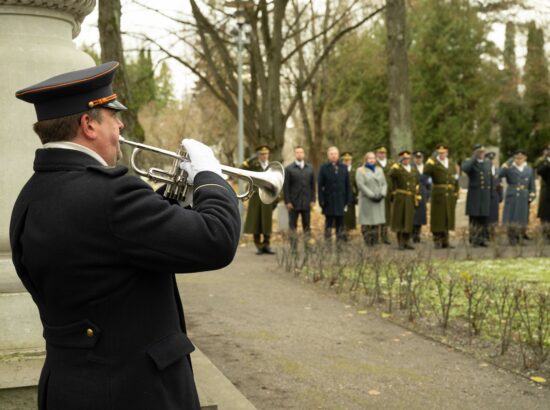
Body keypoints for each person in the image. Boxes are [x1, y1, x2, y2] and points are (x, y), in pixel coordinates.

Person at [10, 62, 240, 409]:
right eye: (112, 116)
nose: (121, 125)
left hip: (68, 388)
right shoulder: (112, 194)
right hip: (135, 392)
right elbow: (218, 238)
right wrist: (210, 177)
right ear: (88, 125)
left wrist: (173, 198)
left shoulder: (30, 197)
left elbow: (109, 245)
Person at [423, 143, 460, 249]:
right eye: (439, 153)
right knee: (437, 218)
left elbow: (455, 178)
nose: (442, 154)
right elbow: (426, 171)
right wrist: (431, 159)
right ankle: (437, 241)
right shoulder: (434, 163)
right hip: (438, 193)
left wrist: (456, 192)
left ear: (447, 153)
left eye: (443, 153)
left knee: (447, 218)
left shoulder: (451, 163)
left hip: (449, 194)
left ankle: (445, 241)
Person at [243, 145, 276, 255]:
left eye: (266, 154)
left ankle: (267, 244)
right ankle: (258, 245)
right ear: (258, 155)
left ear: (268, 155)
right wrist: (248, 160)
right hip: (256, 195)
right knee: (255, 221)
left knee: (267, 222)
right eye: (262, 154)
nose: (264, 156)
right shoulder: (254, 164)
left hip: (268, 194)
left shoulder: (272, 166)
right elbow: (241, 169)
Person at [499, 150, 536, 245]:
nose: (519, 160)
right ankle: (512, 238)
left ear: (525, 158)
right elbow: (499, 174)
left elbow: (532, 184)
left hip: (523, 196)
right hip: (513, 194)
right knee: (512, 216)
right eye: (516, 158)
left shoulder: (528, 169)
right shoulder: (510, 168)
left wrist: (532, 195)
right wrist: (507, 163)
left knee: (522, 217)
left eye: (521, 158)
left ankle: (520, 237)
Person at [318, 146, 352, 242]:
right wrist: (321, 201)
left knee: (340, 224)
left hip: (341, 200)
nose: (333, 156)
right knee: (328, 224)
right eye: (331, 154)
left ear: (338, 155)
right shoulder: (324, 168)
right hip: (329, 201)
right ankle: (327, 244)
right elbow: (320, 186)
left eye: (335, 154)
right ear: (328, 155)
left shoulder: (344, 168)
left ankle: (340, 243)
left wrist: (348, 200)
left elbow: (347, 185)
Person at [284, 146, 316, 248]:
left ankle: (308, 247)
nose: (299, 154)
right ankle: (293, 248)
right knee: (292, 227)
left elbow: (313, 186)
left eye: (301, 152)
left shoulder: (310, 168)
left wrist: (313, 200)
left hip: (306, 202)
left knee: (307, 227)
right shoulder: (289, 169)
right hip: (293, 203)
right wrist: (288, 202)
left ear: (304, 154)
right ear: (295, 154)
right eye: (297, 152)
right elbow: (286, 187)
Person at [461, 144, 492, 247]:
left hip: (484, 194)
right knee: (474, 217)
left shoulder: (487, 163)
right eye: (479, 152)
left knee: (483, 218)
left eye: (483, 152)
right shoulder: (470, 162)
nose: (481, 154)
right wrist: (474, 157)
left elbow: (489, 179)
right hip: (475, 194)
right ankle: (474, 239)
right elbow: (465, 169)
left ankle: (482, 239)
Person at [388, 150, 419, 250]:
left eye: (407, 159)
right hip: (401, 197)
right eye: (404, 159)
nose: (406, 160)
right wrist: (396, 164)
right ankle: (400, 242)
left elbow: (417, 183)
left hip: (410, 197)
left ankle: (407, 241)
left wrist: (417, 196)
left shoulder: (413, 169)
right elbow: (390, 175)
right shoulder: (397, 169)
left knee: (408, 220)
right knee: (400, 219)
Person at [356, 152, 387, 246]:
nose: (372, 160)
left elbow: (384, 183)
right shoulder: (361, 170)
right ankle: (367, 241)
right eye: (370, 158)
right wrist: (372, 195)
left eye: (373, 158)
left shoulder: (379, 170)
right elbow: (361, 185)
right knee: (366, 221)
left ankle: (375, 241)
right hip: (367, 199)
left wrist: (382, 194)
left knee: (376, 221)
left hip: (379, 199)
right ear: (366, 159)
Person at [375, 145, 394, 244]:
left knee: (386, 213)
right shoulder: (374, 163)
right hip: (377, 191)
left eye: (384, 153)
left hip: (388, 191)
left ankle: (384, 235)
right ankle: (375, 235)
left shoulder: (391, 163)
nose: (382, 155)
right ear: (377, 153)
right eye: (380, 153)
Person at [412, 151, 431, 243]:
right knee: (413, 214)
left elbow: (429, 182)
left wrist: (428, 194)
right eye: (416, 157)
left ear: (422, 158)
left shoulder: (426, 168)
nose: (418, 159)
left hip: (423, 192)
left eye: (420, 157)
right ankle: (412, 234)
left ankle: (417, 234)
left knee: (420, 215)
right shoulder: (411, 168)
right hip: (413, 192)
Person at [485, 151, 503, 239]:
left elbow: (500, 185)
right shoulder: (485, 170)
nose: (491, 162)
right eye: (489, 160)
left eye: (492, 160)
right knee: (487, 215)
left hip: (495, 194)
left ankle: (492, 232)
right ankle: (486, 233)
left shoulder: (497, 171)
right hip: (486, 194)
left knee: (494, 215)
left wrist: (500, 196)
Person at [341, 151, 358, 240]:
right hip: (342, 196)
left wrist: (357, 195)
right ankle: (343, 232)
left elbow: (357, 184)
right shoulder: (340, 169)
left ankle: (348, 231)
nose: (347, 162)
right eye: (345, 160)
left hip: (351, 196)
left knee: (350, 215)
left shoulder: (354, 170)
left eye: (349, 160)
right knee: (343, 215)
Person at [536, 151, 550, 241]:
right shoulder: (543, 161)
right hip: (547, 191)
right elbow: (539, 171)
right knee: (546, 214)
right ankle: (546, 234)